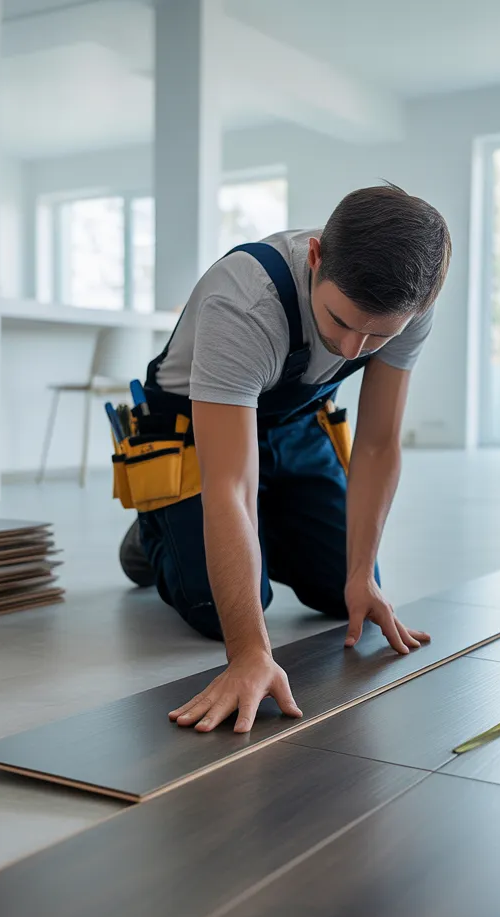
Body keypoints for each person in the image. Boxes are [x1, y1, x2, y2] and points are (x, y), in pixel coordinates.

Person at [119, 183, 451, 735]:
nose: (351, 350)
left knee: (339, 591)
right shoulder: (246, 300)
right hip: (192, 430)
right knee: (215, 613)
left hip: (295, 424)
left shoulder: (410, 308)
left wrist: (361, 575)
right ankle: (153, 535)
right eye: (340, 321)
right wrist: (249, 653)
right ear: (316, 257)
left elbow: (376, 444)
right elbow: (230, 485)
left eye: (376, 337)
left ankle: (266, 533)